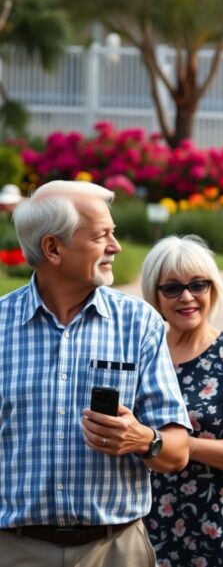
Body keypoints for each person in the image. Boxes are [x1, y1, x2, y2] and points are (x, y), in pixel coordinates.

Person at [0, 181, 190, 567]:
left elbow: (177, 451)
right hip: (13, 549)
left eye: (113, 234)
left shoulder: (139, 323)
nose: (115, 247)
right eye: (102, 236)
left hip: (116, 550)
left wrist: (143, 439)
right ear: (53, 248)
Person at [140, 235, 223, 567]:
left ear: (213, 290)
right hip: (149, 519)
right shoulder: (143, 353)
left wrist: (179, 446)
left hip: (220, 521)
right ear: (155, 294)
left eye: (198, 285)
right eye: (172, 288)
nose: (187, 297)